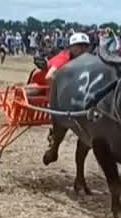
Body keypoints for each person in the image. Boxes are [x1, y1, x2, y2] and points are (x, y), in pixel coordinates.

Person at [39, 32, 94, 166]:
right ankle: (54, 140)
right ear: (71, 47)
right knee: (60, 117)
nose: (83, 49)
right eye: (79, 46)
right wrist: (62, 95)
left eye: (86, 46)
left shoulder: (88, 59)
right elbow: (49, 77)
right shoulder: (64, 58)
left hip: (73, 91)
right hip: (51, 89)